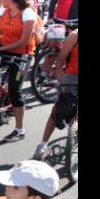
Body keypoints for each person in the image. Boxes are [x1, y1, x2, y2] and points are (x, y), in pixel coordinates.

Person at [0, 0, 37, 143]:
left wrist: (1, 48)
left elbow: (24, 40)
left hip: (22, 54)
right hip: (5, 48)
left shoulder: (27, 13)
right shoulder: (5, 11)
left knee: (15, 90)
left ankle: (19, 129)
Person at [32, 29, 78, 161]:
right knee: (59, 108)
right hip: (71, 77)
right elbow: (61, 58)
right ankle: (42, 145)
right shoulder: (74, 36)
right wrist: (59, 74)